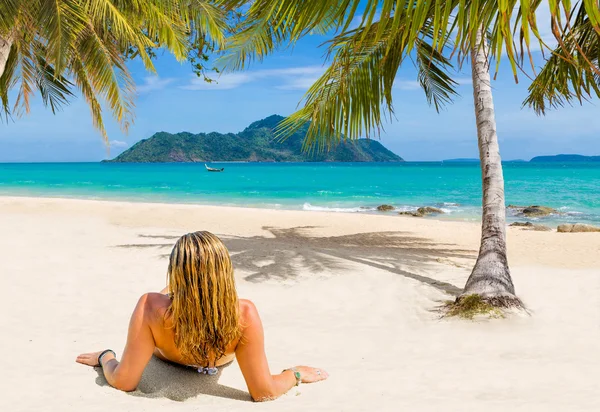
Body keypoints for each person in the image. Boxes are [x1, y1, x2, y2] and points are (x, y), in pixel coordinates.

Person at [76, 231, 328, 401]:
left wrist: (105, 357)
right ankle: (198, 286)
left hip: (168, 340)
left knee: (166, 297)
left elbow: (123, 381)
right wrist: (295, 374)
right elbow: (263, 392)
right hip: (218, 352)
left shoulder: (150, 306)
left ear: (174, 269)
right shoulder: (245, 313)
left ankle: (183, 289)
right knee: (193, 299)